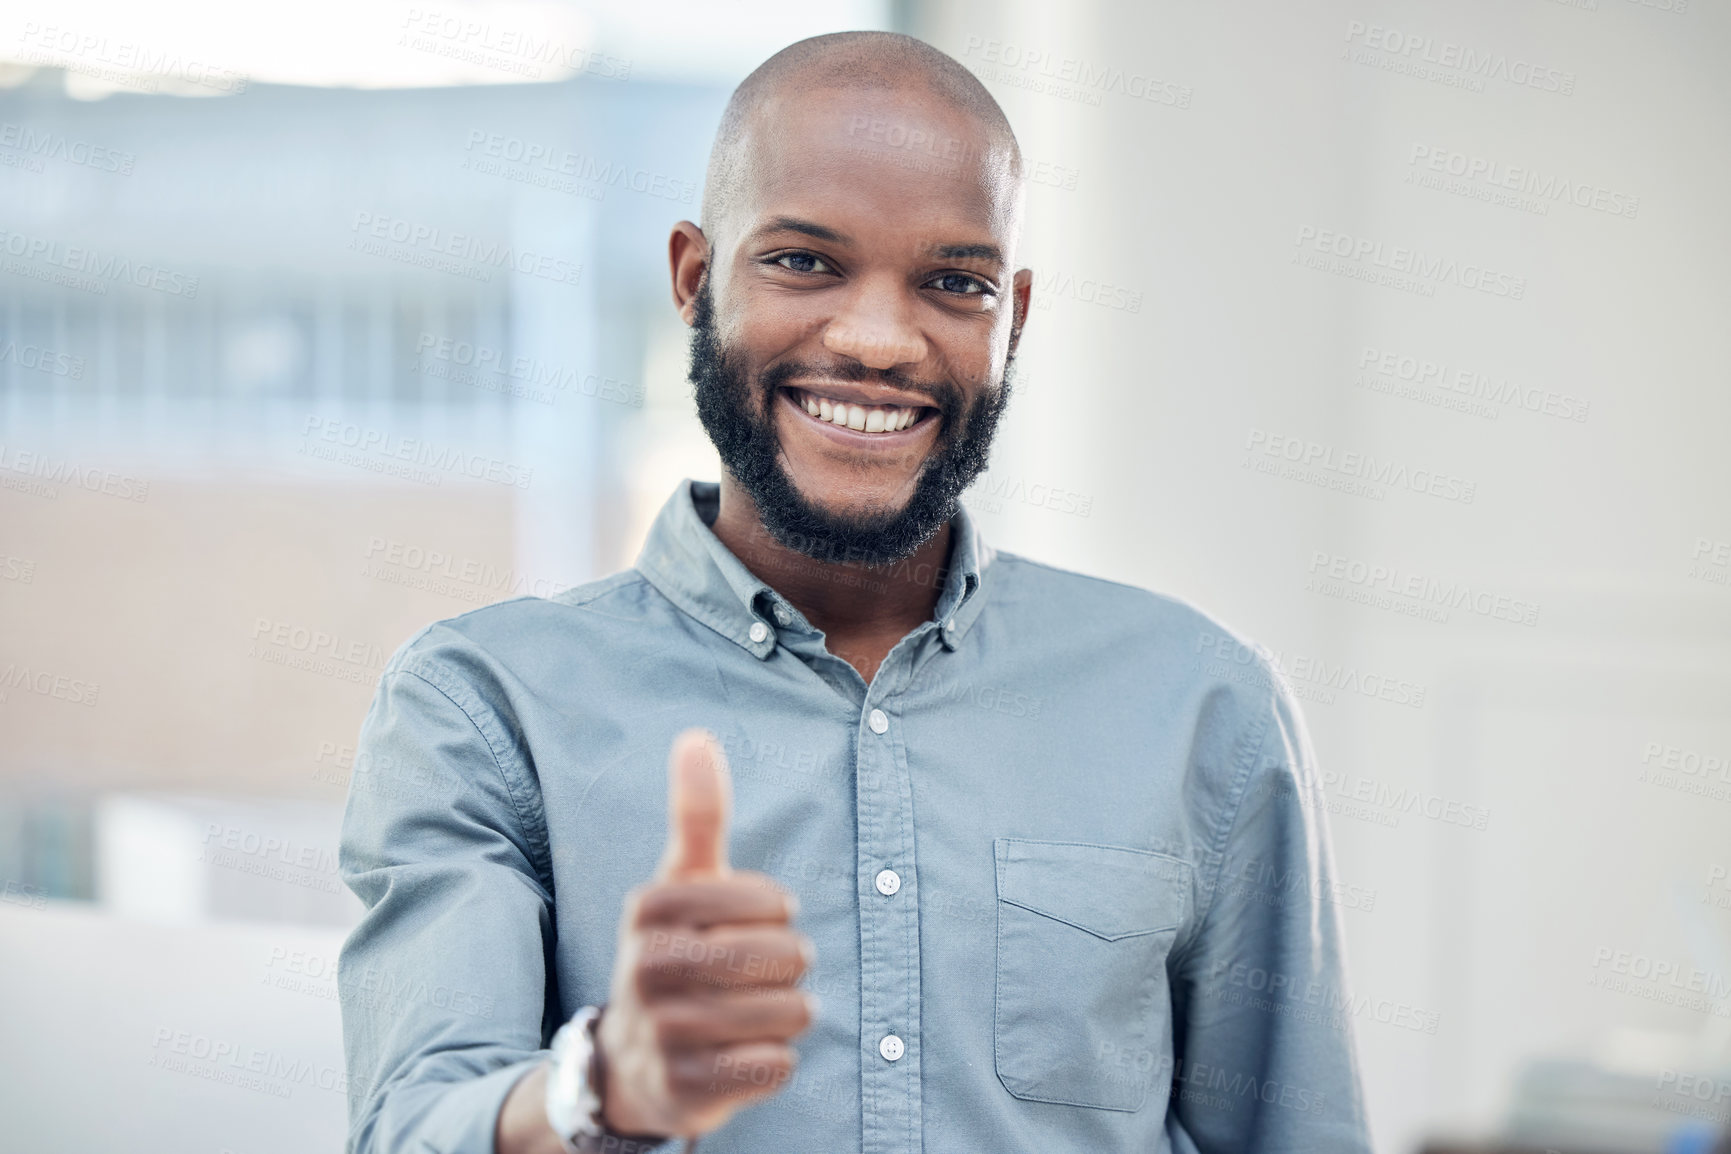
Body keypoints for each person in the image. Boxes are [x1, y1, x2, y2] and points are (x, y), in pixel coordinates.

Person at [338, 30, 1373, 1154]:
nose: (878, 339)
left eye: (953, 283)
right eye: (803, 261)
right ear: (695, 278)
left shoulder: (1203, 705)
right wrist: (603, 1087)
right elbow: (412, 1122)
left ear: (1011, 318)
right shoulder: (484, 706)